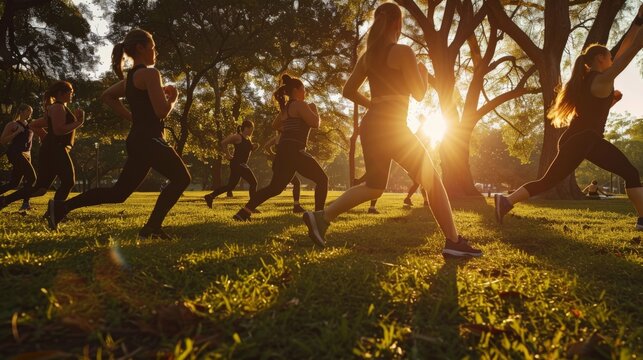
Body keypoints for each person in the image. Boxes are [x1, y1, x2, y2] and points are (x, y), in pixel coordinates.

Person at [302, 2, 482, 257]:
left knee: (375, 187)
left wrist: (374, 103)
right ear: (397, 23)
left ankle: (321, 217)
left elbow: (347, 90)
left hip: (372, 124)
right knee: (432, 179)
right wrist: (421, 72)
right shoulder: (403, 52)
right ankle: (453, 241)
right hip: (392, 126)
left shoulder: (369, 57)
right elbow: (419, 93)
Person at [495, 5, 643, 231]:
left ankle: (505, 202)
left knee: (628, 172)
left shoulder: (590, 80)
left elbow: (623, 48)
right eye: (609, 56)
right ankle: (505, 201)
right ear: (601, 59)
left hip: (584, 140)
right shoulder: (601, 80)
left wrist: (638, 20)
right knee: (550, 181)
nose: (613, 58)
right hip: (582, 140)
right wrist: (640, 37)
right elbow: (627, 53)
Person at [47, 29, 191, 238]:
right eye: (152, 47)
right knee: (181, 178)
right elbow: (162, 112)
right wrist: (174, 98)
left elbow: (107, 96)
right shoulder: (151, 74)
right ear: (141, 48)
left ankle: (60, 208)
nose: (155, 52)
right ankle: (151, 228)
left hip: (138, 140)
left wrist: (133, 118)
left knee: (119, 193)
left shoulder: (132, 78)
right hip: (149, 140)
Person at [232, 74, 328, 221]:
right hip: (295, 151)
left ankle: (243, 212)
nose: (305, 92)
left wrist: (288, 130)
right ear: (296, 89)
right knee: (322, 179)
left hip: (283, 152)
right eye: (304, 89)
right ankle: (318, 217)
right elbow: (315, 123)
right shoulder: (300, 105)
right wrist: (314, 108)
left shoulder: (286, 108)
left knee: (274, 188)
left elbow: (275, 125)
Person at [0, 81, 83, 212]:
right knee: (68, 182)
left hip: (52, 149)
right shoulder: (58, 107)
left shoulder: (55, 108)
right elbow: (59, 130)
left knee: (40, 189)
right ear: (61, 93)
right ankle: (55, 211)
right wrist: (79, 122)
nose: (72, 94)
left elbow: (33, 125)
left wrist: (46, 138)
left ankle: (5, 200)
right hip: (56, 150)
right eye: (71, 92)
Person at [204, 120, 259, 208]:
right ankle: (251, 206)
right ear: (246, 128)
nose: (252, 131)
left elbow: (245, 150)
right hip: (238, 164)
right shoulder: (238, 136)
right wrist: (228, 154)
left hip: (240, 164)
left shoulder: (248, 138)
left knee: (230, 186)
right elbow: (224, 143)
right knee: (254, 183)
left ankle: (210, 196)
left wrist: (253, 147)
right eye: (252, 129)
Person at [0, 104, 37, 211]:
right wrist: (16, 132)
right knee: (32, 178)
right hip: (15, 153)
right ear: (21, 111)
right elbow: (2, 141)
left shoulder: (30, 126)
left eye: (31, 111)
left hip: (26, 155)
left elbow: (28, 143)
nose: (30, 113)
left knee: (14, 183)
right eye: (28, 111)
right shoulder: (12, 124)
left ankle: (25, 204)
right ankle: (25, 204)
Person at [263, 132, 306, 213]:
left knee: (276, 188)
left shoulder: (277, 137)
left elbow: (266, 146)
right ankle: (251, 205)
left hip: (279, 165)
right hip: (284, 166)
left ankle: (296, 206)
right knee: (274, 189)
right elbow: (266, 146)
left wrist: (273, 154)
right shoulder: (285, 136)